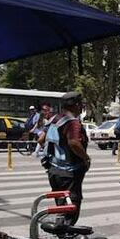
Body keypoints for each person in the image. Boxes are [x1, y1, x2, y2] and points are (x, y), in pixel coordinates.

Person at [38, 92, 90, 225]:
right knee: (71, 208)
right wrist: (85, 158)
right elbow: (74, 143)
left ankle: (61, 237)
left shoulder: (55, 119)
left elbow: (41, 139)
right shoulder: (73, 123)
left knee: (61, 206)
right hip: (69, 173)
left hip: (54, 171)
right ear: (77, 105)